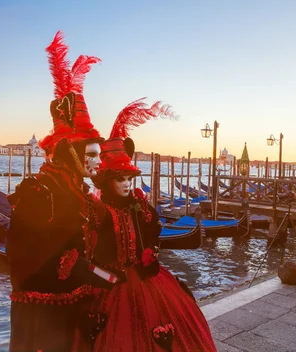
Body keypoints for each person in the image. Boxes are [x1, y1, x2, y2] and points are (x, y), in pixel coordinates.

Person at [6, 31, 115, 351]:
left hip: (72, 311)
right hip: (43, 318)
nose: (98, 162)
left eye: (98, 154)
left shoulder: (77, 193)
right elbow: (36, 260)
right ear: (70, 153)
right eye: (91, 155)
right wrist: (106, 279)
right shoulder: (40, 193)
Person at [87, 99, 216, 352]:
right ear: (108, 182)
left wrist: (150, 252)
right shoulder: (99, 211)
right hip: (109, 284)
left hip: (146, 279)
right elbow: (90, 250)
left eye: (129, 179)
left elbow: (152, 233)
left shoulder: (140, 207)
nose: (126, 184)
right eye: (120, 180)